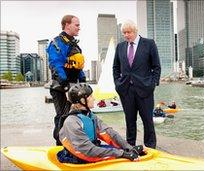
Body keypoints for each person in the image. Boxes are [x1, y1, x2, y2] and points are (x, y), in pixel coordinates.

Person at [58, 83, 145, 163]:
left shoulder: (90, 116)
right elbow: (87, 150)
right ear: (82, 101)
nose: (94, 98)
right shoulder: (71, 122)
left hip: (92, 149)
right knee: (119, 155)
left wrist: (128, 148)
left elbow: (109, 133)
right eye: (91, 96)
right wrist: (121, 154)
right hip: (79, 156)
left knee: (122, 152)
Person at [113, 20, 161, 148]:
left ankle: (150, 147)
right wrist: (118, 83)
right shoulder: (120, 47)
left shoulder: (149, 44)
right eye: (124, 33)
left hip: (145, 89)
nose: (126, 35)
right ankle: (130, 146)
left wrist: (153, 83)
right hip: (126, 90)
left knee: (148, 121)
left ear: (135, 31)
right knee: (130, 121)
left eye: (128, 32)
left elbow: (156, 67)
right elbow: (115, 68)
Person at [47, 15, 86, 145]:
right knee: (62, 116)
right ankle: (59, 145)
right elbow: (56, 63)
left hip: (74, 86)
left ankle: (72, 143)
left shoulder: (73, 44)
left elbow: (76, 65)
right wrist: (64, 82)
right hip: (60, 87)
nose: (79, 27)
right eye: (77, 25)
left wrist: (82, 78)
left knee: (74, 116)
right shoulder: (57, 42)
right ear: (67, 25)